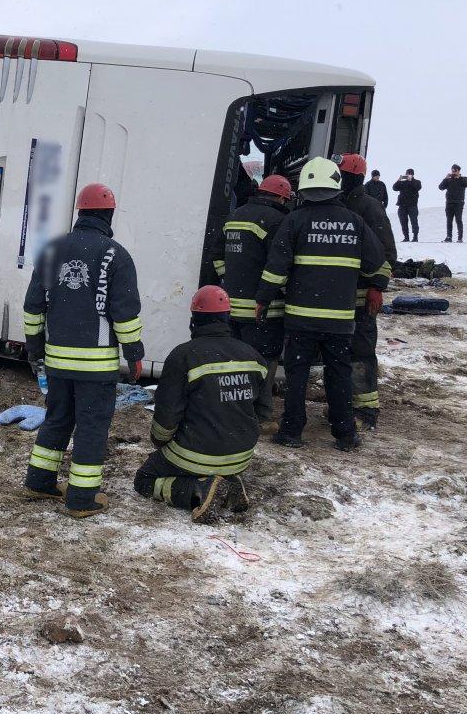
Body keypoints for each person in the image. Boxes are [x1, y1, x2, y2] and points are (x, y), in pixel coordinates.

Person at [22, 183, 143, 519]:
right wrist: (134, 353)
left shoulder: (50, 251)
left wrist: (35, 349)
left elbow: (33, 307)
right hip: (97, 366)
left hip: (57, 363)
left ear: (80, 212)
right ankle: (81, 499)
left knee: (58, 418)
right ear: (108, 214)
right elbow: (125, 313)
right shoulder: (115, 255)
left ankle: (39, 482)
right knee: (91, 427)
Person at [255, 157, 387, 451]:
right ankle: (345, 434)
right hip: (339, 319)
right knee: (338, 374)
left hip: (301, 317)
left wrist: (263, 298)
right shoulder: (355, 222)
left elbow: (277, 267)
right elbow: (377, 265)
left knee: (298, 375)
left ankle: (291, 432)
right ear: (336, 186)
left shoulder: (294, 220)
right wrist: (371, 285)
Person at [133, 285, 264, 523]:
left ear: (194, 320)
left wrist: (160, 442)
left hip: (194, 454)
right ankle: (228, 480)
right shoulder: (253, 356)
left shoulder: (184, 356)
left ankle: (198, 490)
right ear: (227, 318)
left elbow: (167, 414)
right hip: (240, 456)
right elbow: (263, 411)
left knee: (144, 480)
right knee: (217, 460)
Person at [202, 173, 293, 423]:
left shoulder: (236, 214)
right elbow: (279, 264)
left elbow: (217, 254)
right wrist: (280, 290)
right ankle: (260, 414)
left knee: (235, 359)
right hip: (263, 308)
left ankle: (232, 410)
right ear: (281, 198)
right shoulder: (278, 221)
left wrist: (229, 279)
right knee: (264, 359)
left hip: (231, 306)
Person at [339, 153, 397, 429]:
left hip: (362, 298)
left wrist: (376, 286)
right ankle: (344, 404)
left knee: (360, 352)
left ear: (352, 176)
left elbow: (386, 252)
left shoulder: (368, 207)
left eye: (341, 175)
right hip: (338, 298)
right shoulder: (339, 203)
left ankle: (366, 411)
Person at [439, 164, 467, 242]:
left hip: (459, 203)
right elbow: (440, 187)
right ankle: (449, 237)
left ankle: (460, 238)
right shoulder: (448, 179)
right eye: (452, 170)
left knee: (458, 220)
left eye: (455, 171)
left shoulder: (463, 179)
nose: (453, 172)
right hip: (449, 203)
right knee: (449, 220)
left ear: (458, 171)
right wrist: (445, 178)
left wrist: (459, 177)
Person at [393, 169, 422, 242]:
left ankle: (415, 237)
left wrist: (410, 181)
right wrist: (399, 180)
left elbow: (417, 188)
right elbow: (394, 188)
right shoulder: (402, 183)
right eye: (407, 174)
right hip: (402, 205)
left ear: (412, 175)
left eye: (410, 174)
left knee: (414, 221)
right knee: (403, 222)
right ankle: (406, 237)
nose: (408, 175)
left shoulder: (417, 182)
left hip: (412, 205)